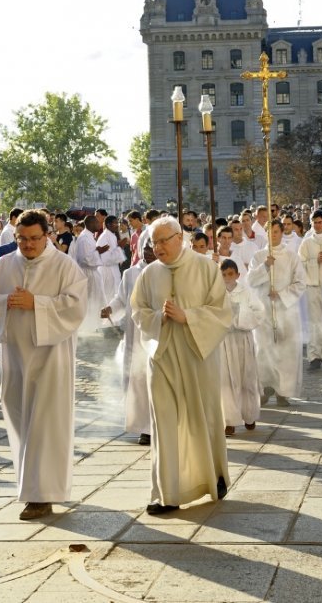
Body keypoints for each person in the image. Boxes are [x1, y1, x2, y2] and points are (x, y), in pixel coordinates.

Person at [0, 209, 86, 520]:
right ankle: (31, 486)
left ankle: (42, 495)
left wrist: (35, 303)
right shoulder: (4, 265)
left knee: (46, 424)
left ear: (47, 235)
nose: (28, 245)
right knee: (21, 421)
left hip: (51, 359)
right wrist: (6, 301)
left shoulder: (64, 266)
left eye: (35, 238)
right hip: (14, 358)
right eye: (22, 239)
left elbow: (76, 305)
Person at [130, 215, 232, 515]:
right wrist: (158, 318)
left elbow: (222, 312)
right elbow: (138, 312)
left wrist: (188, 316)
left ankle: (214, 478)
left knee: (203, 418)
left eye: (163, 240)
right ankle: (167, 493)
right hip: (161, 357)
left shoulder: (205, 267)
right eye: (153, 242)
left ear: (179, 238)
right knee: (163, 423)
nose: (157, 247)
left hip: (197, 356)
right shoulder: (149, 274)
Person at [247, 220, 306, 407]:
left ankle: (283, 391)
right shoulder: (258, 256)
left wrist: (281, 294)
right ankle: (265, 388)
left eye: (276, 232)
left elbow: (300, 283)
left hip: (286, 310)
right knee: (264, 350)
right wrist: (264, 267)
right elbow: (250, 281)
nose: (273, 235)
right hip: (264, 309)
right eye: (270, 232)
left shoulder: (291, 256)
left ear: (282, 232)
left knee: (285, 351)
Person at [101, 236, 153, 445]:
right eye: (147, 248)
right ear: (140, 249)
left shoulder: (166, 271)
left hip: (157, 333)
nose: (150, 251)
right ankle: (144, 427)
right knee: (138, 380)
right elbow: (122, 298)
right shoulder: (131, 273)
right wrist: (110, 308)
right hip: (136, 336)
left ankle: (162, 425)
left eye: (153, 247)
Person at [218, 258, 262, 434]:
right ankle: (229, 419)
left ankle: (249, 415)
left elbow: (259, 312)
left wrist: (239, 315)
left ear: (238, 274)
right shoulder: (216, 294)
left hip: (243, 338)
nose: (228, 278)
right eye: (224, 275)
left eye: (230, 274)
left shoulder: (247, 292)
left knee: (247, 377)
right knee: (226, 380)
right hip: (225, 340)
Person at [298, 210, 322, 370]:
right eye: (315, 222)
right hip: (312, 285)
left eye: (320, 222)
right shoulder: (306, 243)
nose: (318, 225)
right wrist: (315, 262)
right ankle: (314, 356)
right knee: (314, 321)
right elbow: (300, 264)